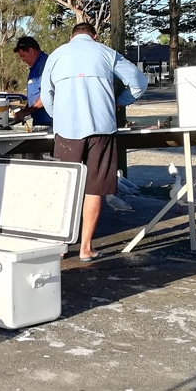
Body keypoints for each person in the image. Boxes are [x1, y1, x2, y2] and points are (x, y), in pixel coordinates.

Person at [42, 22, 148, 261]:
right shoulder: (106, 52)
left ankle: (60, 245)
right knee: (94, 189)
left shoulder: (57, 55)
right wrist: (120, 101)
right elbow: (139, 82)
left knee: (66, 187)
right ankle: (86, 248)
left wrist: (57, 115)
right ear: (94, 36)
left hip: (67, 131)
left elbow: (45, 95)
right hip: (101, 129)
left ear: (71, 37)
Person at [11, 36, 53, 127]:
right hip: (38, 121)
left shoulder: (44, 65)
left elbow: (46, 95)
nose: (22, 60)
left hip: (48, 123)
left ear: (31, 51)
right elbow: (34, 97)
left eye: (23, 56)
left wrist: (25, 112)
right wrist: (24, 111)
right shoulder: (34, 68)